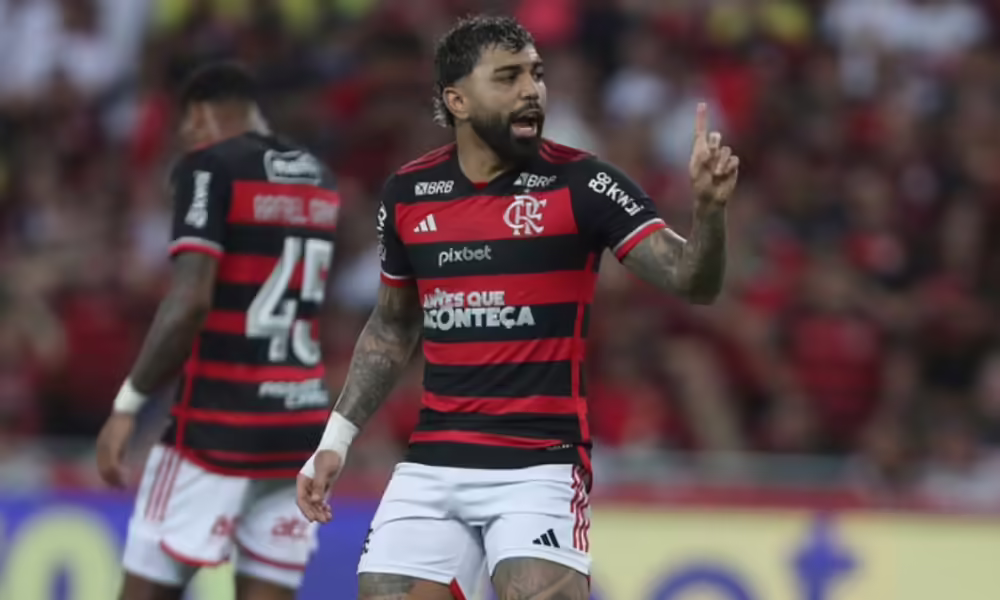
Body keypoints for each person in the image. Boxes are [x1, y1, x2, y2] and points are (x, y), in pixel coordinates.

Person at [297, 15, 739, 600]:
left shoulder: (585, 184)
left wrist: (708, 212)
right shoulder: (408, 193)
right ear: (457, 100)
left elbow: (693, 281)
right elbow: (393, 324)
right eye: (508, 77)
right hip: (435, 460)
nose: (531, 90)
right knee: (386, 590)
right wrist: (336, 439)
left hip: (539, 463)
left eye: (536, 74)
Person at [95, 62, 340, 600]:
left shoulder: (208, 167)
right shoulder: (320, 176)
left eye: (185, 125)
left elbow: (189, 302)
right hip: (298, 426)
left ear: (201, 116)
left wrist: (128, 403)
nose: (185, 137)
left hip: (217, 429)